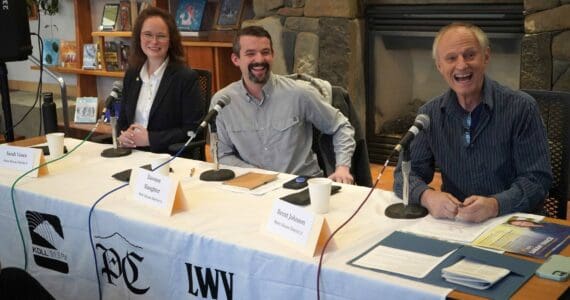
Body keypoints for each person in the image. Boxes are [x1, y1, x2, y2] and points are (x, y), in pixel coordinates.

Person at [394, 22, 552, 223]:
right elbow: (404, 176)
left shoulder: (522, 108)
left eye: (469, 55)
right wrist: (428, 197)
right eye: (451, 58)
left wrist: (495, 205)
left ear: (486, 57)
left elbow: (538, 180)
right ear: (439, 66)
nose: (461, 65)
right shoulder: (429, 115)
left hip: (511, 220)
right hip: (458, 224)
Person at [211, 26, 356, 184]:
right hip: (253, 186)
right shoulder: (222, 102)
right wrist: (258, 175)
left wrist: (342, 167)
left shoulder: (300, 93)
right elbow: (222, 155)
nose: (259, 59)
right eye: (250, 54)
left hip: (300, 185)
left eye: (265, 52)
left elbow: (341, 126)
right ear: (235, 59)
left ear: (273, 55)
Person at [117, 7, 204, 153]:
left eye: (161, 36)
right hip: (132, 154)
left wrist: (150, 139)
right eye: (148, 35)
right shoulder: (132, 75)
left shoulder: (185, 78)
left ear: (171, 41)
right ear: (139, 38)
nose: (154, 41)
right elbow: (123, 122)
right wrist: (123, 135)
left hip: (167, 160)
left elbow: (193, 131)